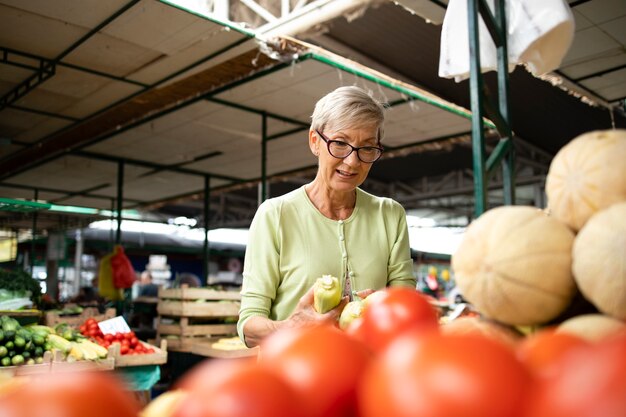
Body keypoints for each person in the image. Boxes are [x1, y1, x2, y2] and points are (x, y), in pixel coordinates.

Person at [238, 86, 416, 347]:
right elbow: (248, 325)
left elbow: (407, 303)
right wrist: (291, 326)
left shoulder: (389, 214)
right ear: (314, 141)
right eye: (340, 143)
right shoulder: (275, 215)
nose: (352, 162)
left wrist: (385, 306)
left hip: (368, 374)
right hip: (295, 375)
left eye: (367, 148)